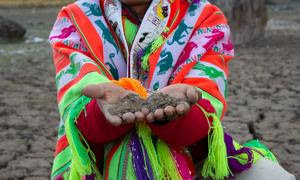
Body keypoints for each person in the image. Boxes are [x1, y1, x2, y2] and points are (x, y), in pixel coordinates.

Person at [49, 0, 296, 179]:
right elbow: (77, 115)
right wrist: (101, 109)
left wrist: (176, 115)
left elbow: (206, 116)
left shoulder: (205, 18)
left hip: (190, 155)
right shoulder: (75, 19)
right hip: (94, 163)